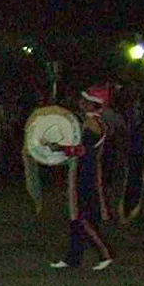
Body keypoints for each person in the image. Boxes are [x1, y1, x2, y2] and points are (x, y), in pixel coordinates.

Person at [49, 86, 114, 271]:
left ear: (92, 104)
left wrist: (60, 148)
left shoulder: (93, 125)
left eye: (84, 101)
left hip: (87, 174)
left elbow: (82, 150)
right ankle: (72, 257)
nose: (80, 103)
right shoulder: (91, 122)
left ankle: (106, 253)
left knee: (81, 216)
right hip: (85, 171)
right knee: (77, 216)